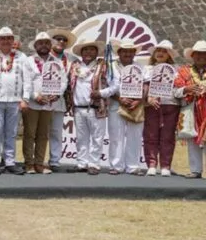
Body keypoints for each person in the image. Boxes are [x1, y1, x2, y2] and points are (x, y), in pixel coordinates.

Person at [22, 31, 67, 174]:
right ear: (35, 45)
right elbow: (25, 82)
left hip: (49, 103)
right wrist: (35, 96)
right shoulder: (28, 61)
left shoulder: (57, 62)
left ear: (50, 45)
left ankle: (39, 163)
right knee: (30, 134)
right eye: (40, 43)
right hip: (33, 103)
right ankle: (29, 163)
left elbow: (63, 81)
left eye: (46, 43)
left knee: (43, 134)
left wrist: (57, 93)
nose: (43, 46)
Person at [68, 39, 115, 175]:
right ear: (81, 52)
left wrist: (101, 93)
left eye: (92, 49)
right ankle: (82, 163)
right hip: (78, 107)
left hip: (96, 107)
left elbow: (115, 85)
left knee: (97, 137)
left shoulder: (104, 66)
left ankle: (94, 163)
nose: (89, 52)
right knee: (81, 137)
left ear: (96, 52)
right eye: (86, 50)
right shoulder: (75, 66)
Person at [0, 27, 27, 174]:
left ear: (13, 41)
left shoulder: (21, 57)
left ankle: (9, 161)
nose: (6, 41)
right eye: (3, 38)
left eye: (9, 38)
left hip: (14, 100)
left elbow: (27, 79)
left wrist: (25, 98)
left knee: (11, 132)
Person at [107, 39, 144, 175]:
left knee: (134, 136)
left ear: (134, 53)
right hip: (116, 104)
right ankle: (116, 166)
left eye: (130, 51)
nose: (128, 54)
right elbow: (106, 86)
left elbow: (146, 85)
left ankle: (133, 166)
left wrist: (138, 101)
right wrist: (120, 99)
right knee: (116, 136)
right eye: (125, 51)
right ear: (119, 52)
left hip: (135, 105)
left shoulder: (140, 67)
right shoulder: (110, 66)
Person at [143, 40, 179, 177]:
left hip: (171, 104)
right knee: (150, 135)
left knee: (168, 137)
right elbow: (143, 87)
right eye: (158, 51)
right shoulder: (147, 69)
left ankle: (165, 165)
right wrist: (148, 98)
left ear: (169, 55)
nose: (160, 53)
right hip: (152, 105)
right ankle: (151, 164)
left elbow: (178, 87)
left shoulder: (176, 70)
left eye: (164, 51)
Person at [173, 41, 206, 179]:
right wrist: (186, 89)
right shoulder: (183, 71)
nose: (200, 56)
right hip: (191, 111)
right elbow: (174, 91)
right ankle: (195, 170)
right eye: (197, 54)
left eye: (203, 54)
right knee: (192, 139)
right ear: (192, 56)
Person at [47, 28, 78, 171]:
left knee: (56, 131)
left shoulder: (71, 60)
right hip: (42, 99)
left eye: (64, 40)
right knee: (39, 132)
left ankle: (54, 161)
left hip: (60, 100)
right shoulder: (43, 56)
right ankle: (35, 160)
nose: (61, 42)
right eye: (58, 39)